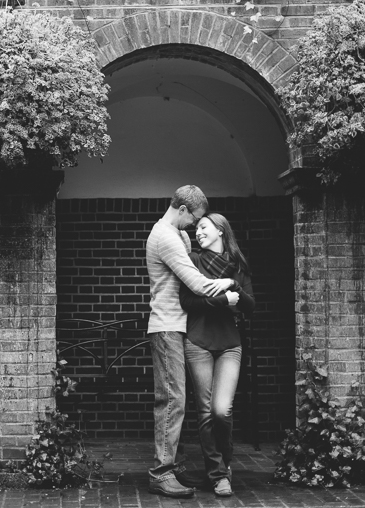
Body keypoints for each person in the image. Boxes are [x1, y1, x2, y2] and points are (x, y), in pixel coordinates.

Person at [145, 185, 235, 499]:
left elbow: (186, 247)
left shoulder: (174, 235)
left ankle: (175, 463)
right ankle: (161, 473)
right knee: (172, 401)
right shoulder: (166, 237)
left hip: (177, 328)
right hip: (167, 328)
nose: (194, 227)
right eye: (193, 219)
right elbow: (195, 283)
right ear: (182, 209)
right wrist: (228, 289)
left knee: (176, 400)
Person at [179, 213, 255, 497]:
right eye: (196, 228)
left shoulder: (238, 265)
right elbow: (187, 301)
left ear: (221, 230)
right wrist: (224, 300)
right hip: (198, 342)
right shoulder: (194, 261)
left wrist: (230, 284)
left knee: (221, 411)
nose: (198, 232)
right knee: (205, 413)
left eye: (203, 227)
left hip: (229, 346)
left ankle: (224, 465)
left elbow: (249, 305)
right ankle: (218, 474)